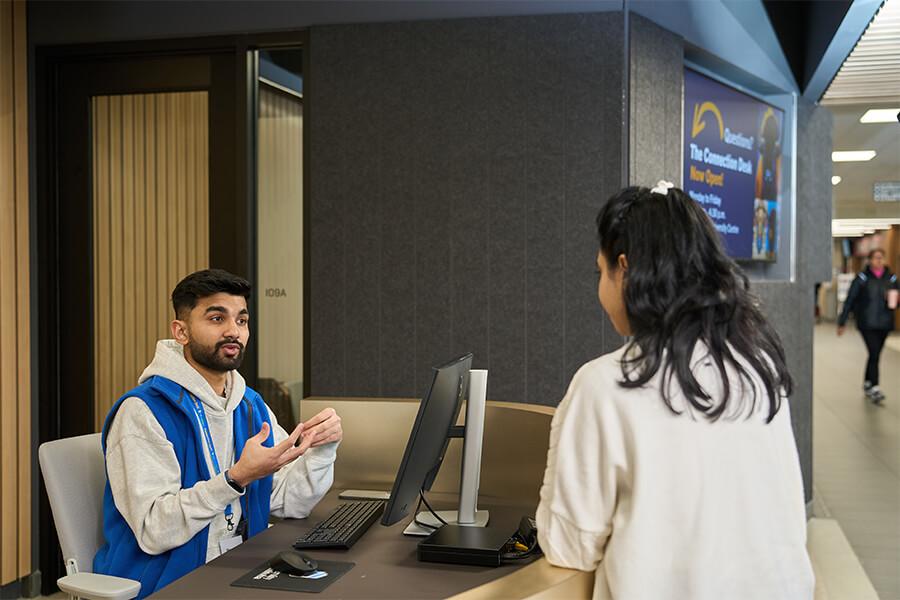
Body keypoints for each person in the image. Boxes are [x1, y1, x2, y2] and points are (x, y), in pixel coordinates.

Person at [536, 182, 814, 600]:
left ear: (625, 269)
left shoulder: (606, 385)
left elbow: (569, 545)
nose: (600, 288)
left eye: (601, 270)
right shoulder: (758, 365)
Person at [94, 269, 342, 597]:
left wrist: (322, 448)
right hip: (166, 581)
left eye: (241, 320)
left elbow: (289, 502)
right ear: (180, 332)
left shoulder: (250, 405)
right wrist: (234, 479)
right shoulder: (143, 411)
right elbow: (153, 529)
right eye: (216, 318)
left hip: (238, 566)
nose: (232, 331)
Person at [837, 248, 898, 403]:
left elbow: (897, 298)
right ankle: (875, 386)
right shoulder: (862, 278)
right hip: (867, 322)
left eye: (881, 258)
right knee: (874, 352)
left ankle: (867, 382)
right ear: (869, 260)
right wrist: (842, 321)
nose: (879, 261)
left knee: (874, 354)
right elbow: (851, 299)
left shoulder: (891, 278)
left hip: (885, 322)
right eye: (876, 258)